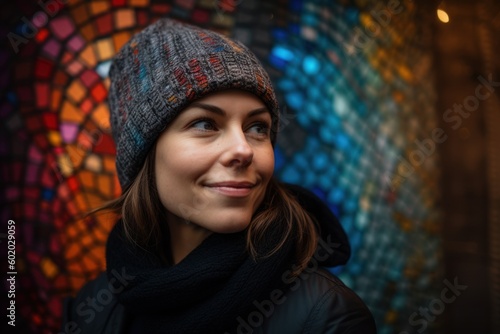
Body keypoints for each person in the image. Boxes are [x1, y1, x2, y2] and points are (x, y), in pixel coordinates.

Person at [61, 18, 376, 334]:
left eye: (257, 128)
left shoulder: (325, 316)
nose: (243, 150)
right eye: (205, 124)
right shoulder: (91, 310)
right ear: (144, 156)